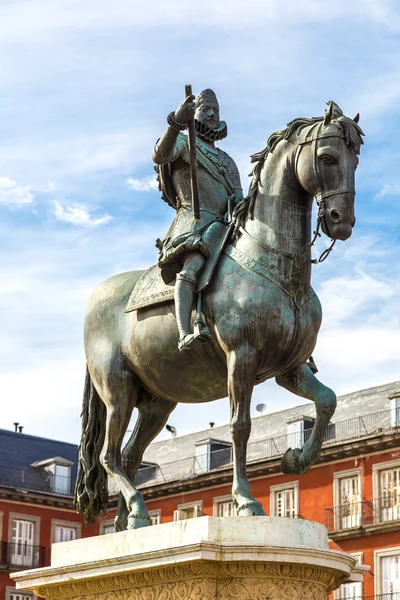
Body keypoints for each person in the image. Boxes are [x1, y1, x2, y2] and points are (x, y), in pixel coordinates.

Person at [153, 89, 243, 351]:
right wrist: (176, 124)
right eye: (206, 110)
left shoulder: (228, 161)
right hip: (194, 224)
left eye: (216, 110)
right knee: (193, 264)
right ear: (195, 113)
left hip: (226, 228)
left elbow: (237, 196)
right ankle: (184, 331)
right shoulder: (183, 141)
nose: (213, 114)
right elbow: (160, 154)